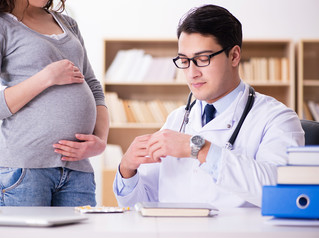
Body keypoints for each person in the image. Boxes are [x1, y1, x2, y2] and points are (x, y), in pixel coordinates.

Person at [113, 4, 304, 208]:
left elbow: (286, 195)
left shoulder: (277, 118)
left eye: (202, 59)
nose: (191, 72)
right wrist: (127, 170)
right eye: (184, 61)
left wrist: (197, 148)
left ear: (234, 56)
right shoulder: (177, 119)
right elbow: (145, 203)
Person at [0, 0, 109, 206]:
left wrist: (101, 141)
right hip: (24, 170)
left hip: (78, 170)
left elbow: (94, 87)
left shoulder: (67, 24)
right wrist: (46, 77)